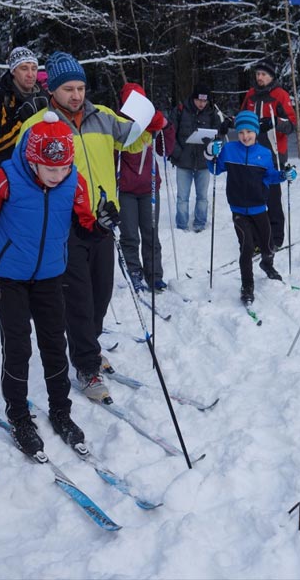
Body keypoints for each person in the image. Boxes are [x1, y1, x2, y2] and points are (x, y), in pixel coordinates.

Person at [0, 112, 115, 455]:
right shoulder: (7, 178)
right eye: (50, 169)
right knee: (17, 346)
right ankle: (18, 415)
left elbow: (85, 225)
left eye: (64, 168)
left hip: (50, 273)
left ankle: (61, 410)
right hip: (9, 274)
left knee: (54, 343)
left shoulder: (73, 181)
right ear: (32, 161)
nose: (58, 176)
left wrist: (102, 224)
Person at [17, 51, 153, 403]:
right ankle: (86, 366)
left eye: (80, 88)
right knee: (78, 297)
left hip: (103, 220)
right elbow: (22, 173)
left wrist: (152, 120)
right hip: (65, 226)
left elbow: (136, 140)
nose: (76, 95)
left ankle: (88, 345)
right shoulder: (39, 126)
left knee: (101, 293)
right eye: (68, 89)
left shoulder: (103, 116)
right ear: (52, 90)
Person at [204, 110, 296, 305]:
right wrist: (210, 153)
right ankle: (247, 286)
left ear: (256, 132)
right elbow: (215, 168)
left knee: (268, 245)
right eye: (241, 132)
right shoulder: (229, 150)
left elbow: (270, 176)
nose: (245, 136)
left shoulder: (264, 153)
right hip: (238, 209)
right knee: (246, 248)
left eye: (249, 132)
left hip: (259, 208)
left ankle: (267, 263)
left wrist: (284, 175)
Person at [117, 82, 175, 293]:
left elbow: (165, 150)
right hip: (126, 190)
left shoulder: (151, 121)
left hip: (149, 188)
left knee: (151, 233)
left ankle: (154, 275)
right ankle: (134, 272)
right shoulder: (119, 124)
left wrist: (166, 127)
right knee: (130, 235)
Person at [240, 59, 297, 249]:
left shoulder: (280, 94)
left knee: (272, 199)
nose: (260, 77)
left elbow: (292, 124)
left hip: (273, 154)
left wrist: (274, 123)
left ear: (271, 76)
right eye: (258, 74)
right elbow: (242, 118)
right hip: (251, 154)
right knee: (254, 199)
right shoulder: (251, 94)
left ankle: (276, 238)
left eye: (264, 74)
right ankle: (257, 238)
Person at [0, 46, 50, 169]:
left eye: (34, 68)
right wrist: (21, 120)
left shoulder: (44, 95)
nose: (30, 74)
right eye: (24, 68)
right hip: (10, 169)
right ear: (13, 71)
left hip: (41, 170)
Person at [169, 82, 221, 232]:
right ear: (193, 98)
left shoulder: (212, 114)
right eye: (199, 100)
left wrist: (213, 150)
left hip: (204, 162)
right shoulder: (180, 111)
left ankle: (200, 224)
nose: (202, 104)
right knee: (182, 197)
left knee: (202, 197)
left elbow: (218, 136)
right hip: (183, 162)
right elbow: (170, 135)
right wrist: (178, 154)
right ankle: (181, 226)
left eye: (205, 101)